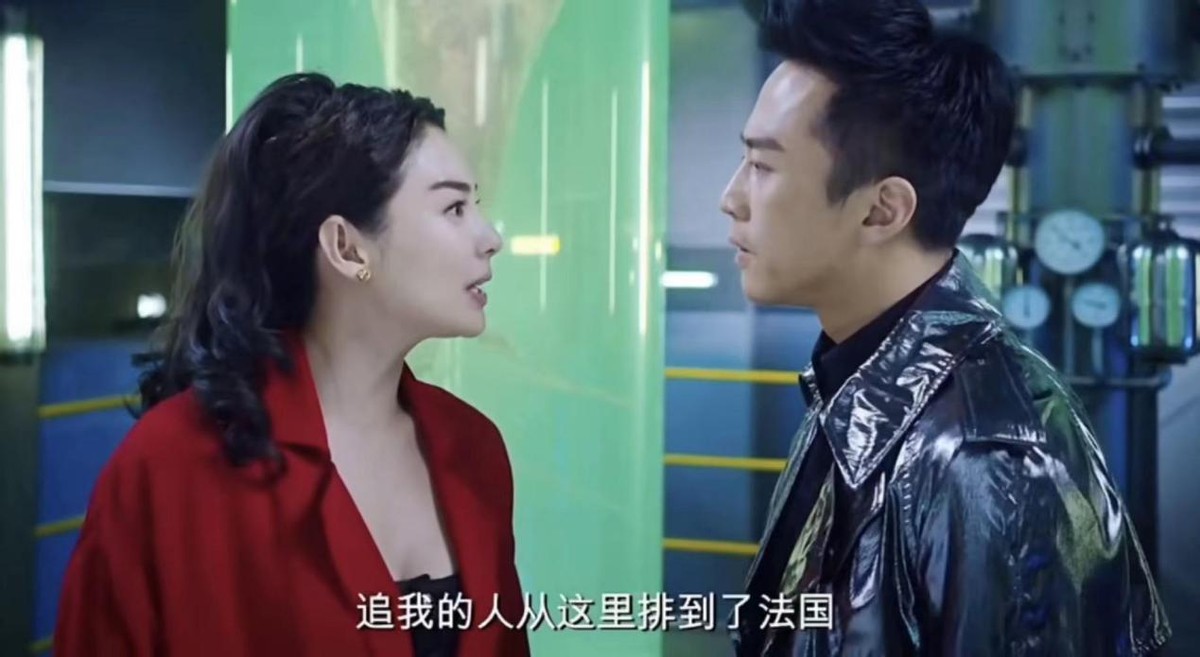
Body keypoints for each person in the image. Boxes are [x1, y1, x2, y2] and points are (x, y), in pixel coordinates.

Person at [720, 0, 1171, 655]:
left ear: (882, 210)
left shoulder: (989, 456)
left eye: (763, 166)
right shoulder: (855, 381)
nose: (731, 198)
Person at [54, 73, 530, 657]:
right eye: (454, 208)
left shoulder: (475, 449)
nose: (490, 237)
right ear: (347, 247)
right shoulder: (169, 468)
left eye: (475, 205)